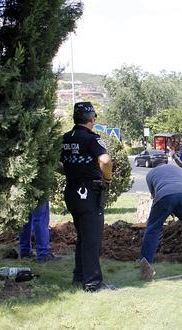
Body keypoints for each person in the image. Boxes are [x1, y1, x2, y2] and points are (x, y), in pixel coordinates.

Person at [59, 102, 114, 292]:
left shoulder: (66, 138)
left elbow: (56, 164)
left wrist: (72, 171)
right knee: (92, 240)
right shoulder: (92, 139)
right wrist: (108, 178)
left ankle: (79, 277)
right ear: (92, 119)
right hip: (88, 193)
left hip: (71, 192)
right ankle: (93, 284)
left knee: (83, 237)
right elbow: (105, 160)